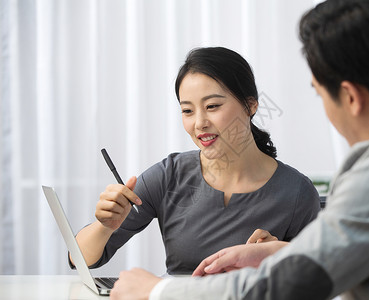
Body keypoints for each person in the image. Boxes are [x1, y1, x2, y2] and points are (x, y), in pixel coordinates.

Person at [109, 0, 369, 299]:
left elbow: (289, 285)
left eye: (319, 94)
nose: (200, 123)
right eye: (187, 109)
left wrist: (156, 291)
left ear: (350, 97)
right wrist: (287, 253)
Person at [72, 47, 321, 275]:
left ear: (250, 105)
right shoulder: (169, 175)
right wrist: (105, 226)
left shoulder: (297, 192)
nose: (199, 123)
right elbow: (79, 259)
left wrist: (276, 257)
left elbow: (316, 279)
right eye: (187, 111)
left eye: (212, 106)